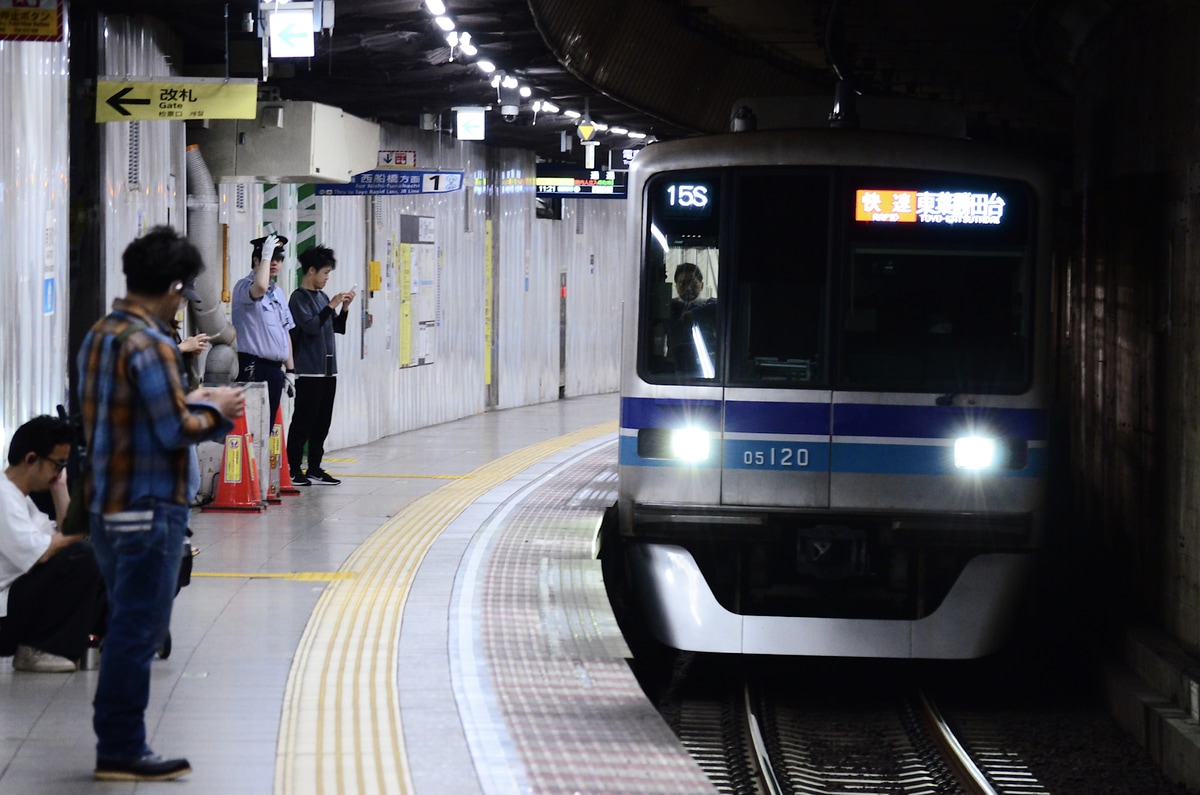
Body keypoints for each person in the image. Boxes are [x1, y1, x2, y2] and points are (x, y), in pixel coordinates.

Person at [77, 225, 246, 782]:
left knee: (125, 622)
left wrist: (190, 398)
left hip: (108, 504)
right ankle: (121, 748)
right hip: (149, 507)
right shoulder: (150, 344)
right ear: (173, 287)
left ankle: (116, 741)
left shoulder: (102, 333)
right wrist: (216, 410)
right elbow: (174, 430)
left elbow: (132, 416)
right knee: (139, 630)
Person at [0, 416, 106, 673]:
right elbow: (43, 553)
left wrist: (59, 486)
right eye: (58, 465)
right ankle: (40, 648)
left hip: (15, 605)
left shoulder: (21, 499)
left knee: (97, 557)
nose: (60, 472)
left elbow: (63, 532)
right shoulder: (3, 495)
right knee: (81, 557)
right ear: (31, 459)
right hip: (4, 614)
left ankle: (103, 637)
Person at [287, 245, 356, 486]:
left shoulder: (323, 297)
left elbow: (337, 327)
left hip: (328, 371)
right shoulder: (299, 298)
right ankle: (294, 468)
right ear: (311, 271)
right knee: (303, 421)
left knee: (322, 422)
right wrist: (330, 306)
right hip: (309, 371)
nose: (327, 278)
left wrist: (344, 308)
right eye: (325, 272)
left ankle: (315, 468)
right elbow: (311, 327)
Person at [232, 233, 295, 428]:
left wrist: (290, 370)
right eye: (270, 258)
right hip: (255, 367)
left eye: (279, 259)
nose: (274, 263)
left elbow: (285, 332)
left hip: (275, 370)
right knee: (253, 428)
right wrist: (265, 256)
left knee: (266, 428)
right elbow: (259, 287)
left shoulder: (277, 293)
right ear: (256, 260)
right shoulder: (244, 286)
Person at [668, 262, 718, 377]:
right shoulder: (670, 307)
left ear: (702, 285)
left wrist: (695, 314)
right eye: (682, 283)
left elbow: (719, 306)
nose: (688, 288)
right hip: (676, 365)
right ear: (676, 286)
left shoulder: (709, 305)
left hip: (706, 362)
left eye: (692, 283)